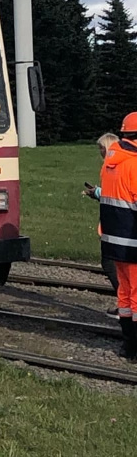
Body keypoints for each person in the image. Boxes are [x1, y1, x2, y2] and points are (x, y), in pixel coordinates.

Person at [98, 115, 137, 360]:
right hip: (133, 242)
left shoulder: (110, 162)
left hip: (114, 242)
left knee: (125, 295)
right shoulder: (134, 165)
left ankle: (129, 348)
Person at [83, 133, 120, 300]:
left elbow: (117, 193)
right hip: (118, 221)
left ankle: (126, 304)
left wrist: (97, 192)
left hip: (117, 223)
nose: (100, 152)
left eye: (101, 148)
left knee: (111, 264)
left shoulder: (113, 167)